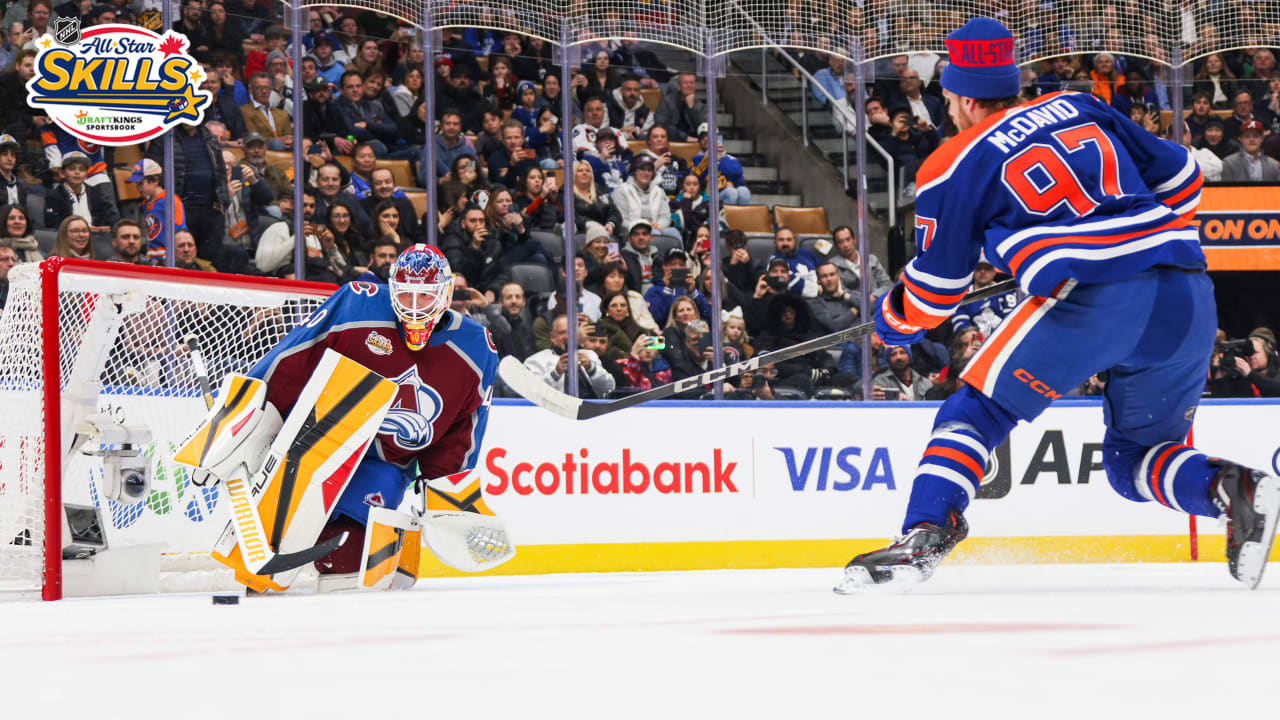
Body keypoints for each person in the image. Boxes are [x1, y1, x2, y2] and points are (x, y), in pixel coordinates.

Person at [841, 17, 1278, 592]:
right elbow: (1182, 181)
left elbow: (936, 292)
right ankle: (1234, 490)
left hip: (1094, 299)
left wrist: (891, 321)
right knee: (1136, 460)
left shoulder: (949, 163)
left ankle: (924, 532)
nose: (946, 104)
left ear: (968, 97)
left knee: (974, 411)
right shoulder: (1081, 105)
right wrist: (1116, 226)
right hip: (1186, 290)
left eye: (948, 93)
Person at [246, 244, 497, 589]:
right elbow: (294, 356)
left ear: (445, 295)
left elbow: (462, 430)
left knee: (349, 563)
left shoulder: (476, 347)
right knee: (263, 566)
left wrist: (441, 488)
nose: (413, 307)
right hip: (316, 446)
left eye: (424, 297)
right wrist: (250, 409)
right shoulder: (356, 304)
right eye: (405, 295)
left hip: (384, 464)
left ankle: (365, 557)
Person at [522, 313, 616, 398]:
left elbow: (609, 387)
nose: (567, 336)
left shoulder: (589, 355)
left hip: (592, 410)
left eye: (571, 332)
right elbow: (532, 393)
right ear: (552, 337)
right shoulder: (536, 360)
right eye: (562, 333)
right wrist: (555, 374)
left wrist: (591, 369)